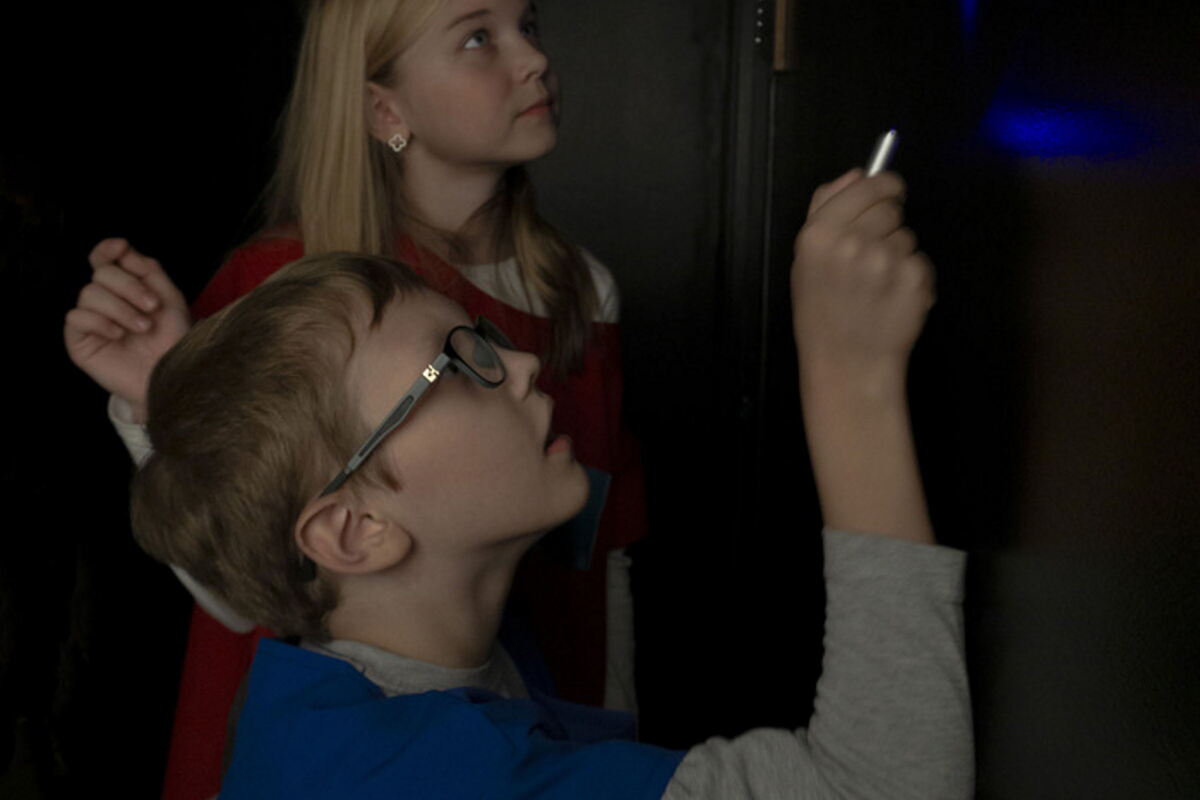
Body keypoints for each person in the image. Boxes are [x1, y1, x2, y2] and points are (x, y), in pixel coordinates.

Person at [127, 165, 973, 798]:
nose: (526, 366)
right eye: (457, 367)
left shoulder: (401, 659)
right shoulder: (434, 776)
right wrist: (851, 375)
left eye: (483, 338)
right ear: (354, 530)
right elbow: (881, 788)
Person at [64, 1, 643, 794]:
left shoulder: (580, 289)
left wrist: (618, 725)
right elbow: (250, 584)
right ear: (383, 109)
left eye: (529, 26)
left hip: (527, 711)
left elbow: (601, 549)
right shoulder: (281, 285)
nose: (534, 60)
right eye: (479, 38)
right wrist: (158, 398)